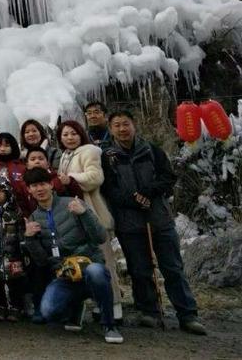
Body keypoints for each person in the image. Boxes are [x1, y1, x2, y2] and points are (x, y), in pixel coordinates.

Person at [102, 110, 206, 335]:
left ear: (134, 125)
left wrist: (149, 192)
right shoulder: (108, 157)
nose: (122, 129)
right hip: (129, 222)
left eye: (126, 124)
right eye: (117, 125)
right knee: (139, 269)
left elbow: (168, 177)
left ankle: (187, 314)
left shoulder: (152, 150)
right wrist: (132, 199)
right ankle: (148, 311)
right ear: (111, 129)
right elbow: (109, 189)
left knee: (173, 268)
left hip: (159, 218)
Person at [22, 167, 124, 345]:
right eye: (34, 185)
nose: (39, 189)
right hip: (65, 274)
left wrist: (84, 214)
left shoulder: (73, 203)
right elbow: (42, 261)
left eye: (43, 184)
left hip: (90, 265)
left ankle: (109, 325)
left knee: (96, 273)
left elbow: (101, 237)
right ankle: (76, 306)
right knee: (48, 311)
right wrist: (29, 239)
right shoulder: (33, 218)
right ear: (29, 190)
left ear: (52, 184)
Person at [57, 119, 122, 321]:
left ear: (81, 134)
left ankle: (114, 304)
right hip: (73, 215)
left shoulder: (90, 151)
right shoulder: (65, 155)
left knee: (103, 259)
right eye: (65, 134)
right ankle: (91, 301)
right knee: (80, 261)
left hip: (91, 211)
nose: (69, 137)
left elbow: (95, 177)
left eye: (73, 133)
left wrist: (72, 179)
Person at [0, 176, 27, 321]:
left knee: (15, 282)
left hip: (13, 254)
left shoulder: (15, 210)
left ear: (8, 192)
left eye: (1, 191)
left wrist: (23, 249)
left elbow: (22, 231)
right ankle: (0, 306)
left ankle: (16, 307)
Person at [12, 148, 83, 217]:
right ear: (27, 165)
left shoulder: (59, 179)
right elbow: (22, 206)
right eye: (33, 159)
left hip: (63, 217)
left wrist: (70, 183)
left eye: (41, 159)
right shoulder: (22, 184)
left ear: (48, 164)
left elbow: (77, 197)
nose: (37, 161)